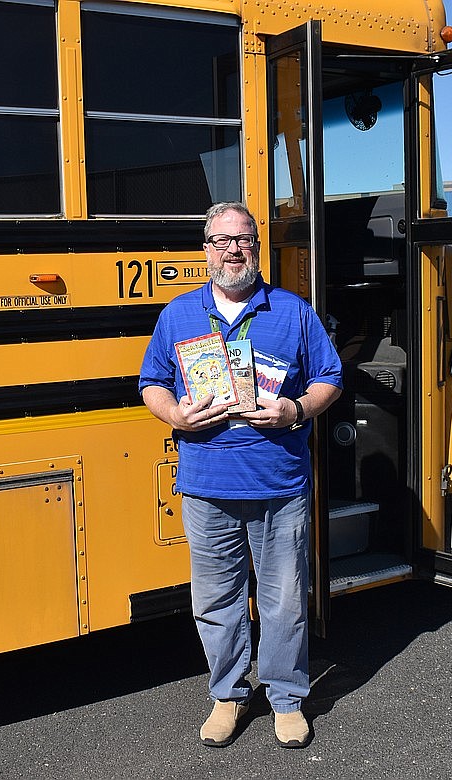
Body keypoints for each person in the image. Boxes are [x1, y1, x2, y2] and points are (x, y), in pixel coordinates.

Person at [138, 202, 342, 749]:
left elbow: (330, 377)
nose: (234, 250)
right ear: (205, 249)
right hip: (206, 485)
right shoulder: (178, 315)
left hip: (279, 483)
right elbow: (151, 382)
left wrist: (295, 411)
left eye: (245, 240)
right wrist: (176, 415)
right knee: (216, 601)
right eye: (222, 240)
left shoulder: (293, 312)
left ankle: (286, 698)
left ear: (257, 247)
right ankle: (228, 694)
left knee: (283, 600)